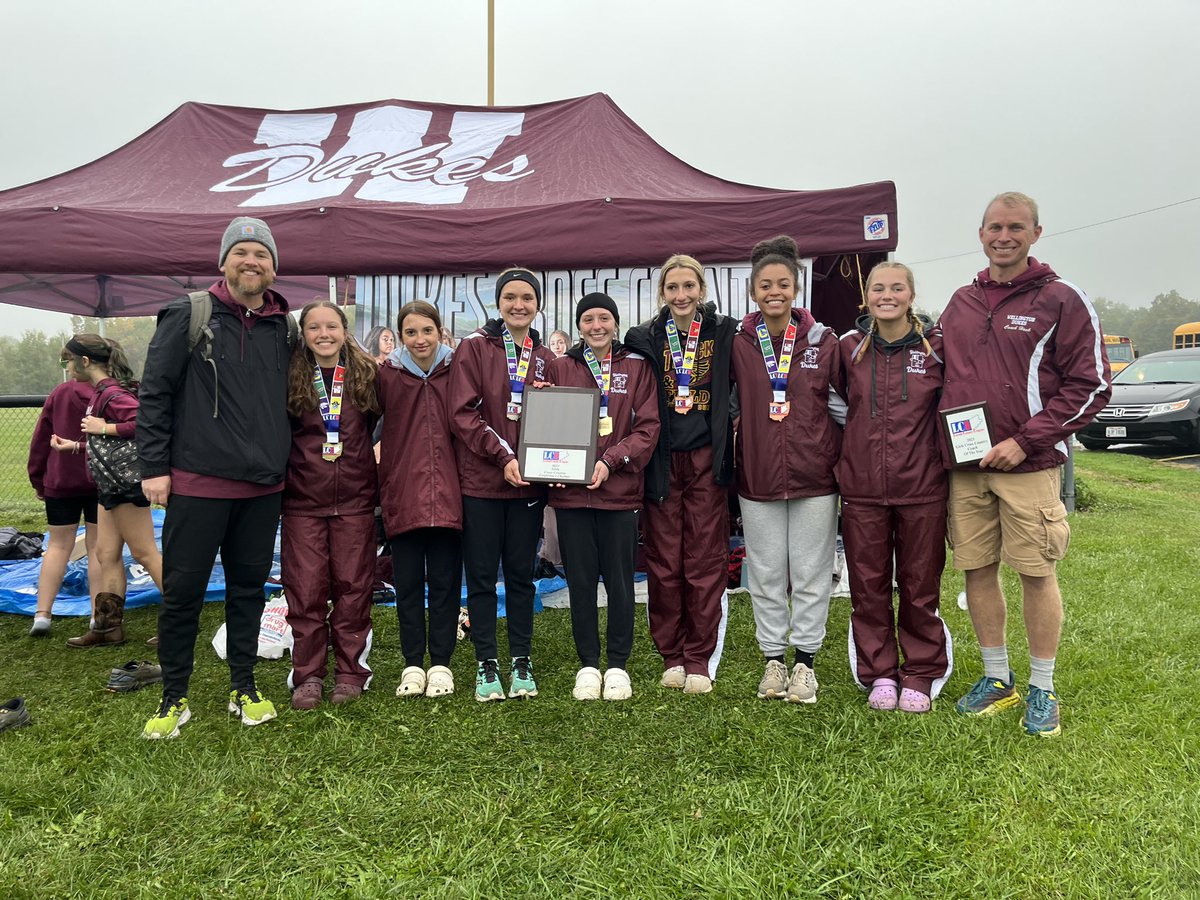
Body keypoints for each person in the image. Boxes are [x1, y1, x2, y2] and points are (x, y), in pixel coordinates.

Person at [939, 192, 1111, 737]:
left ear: (1036, 233)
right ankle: (997, 678)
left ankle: (1042, 685)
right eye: (994, 227)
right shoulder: (962, 300)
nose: (1003, 236)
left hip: (1029, 466)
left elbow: (1091, 386)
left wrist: (1025, 440)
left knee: (1036, 572)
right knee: (976, 569)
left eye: (1015, 227)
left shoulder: (1061, 298)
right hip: (967, 466)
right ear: (981, 233)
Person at [136, 216, 294, 739]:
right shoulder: (189, 313)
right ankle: (173, 696)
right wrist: (153, 468)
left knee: (248, 590)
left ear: (274, 267)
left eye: (262, 254)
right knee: (183, 592)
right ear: (223, 262)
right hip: (199, 482)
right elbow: (154, 394)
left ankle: (243, 686)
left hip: (263, 487)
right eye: (241, 252)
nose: (252, 261)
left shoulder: (285, 327)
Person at [730, 236, 844, 704]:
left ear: (796, 289)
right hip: (757, 477)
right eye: (765, 285)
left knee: (812, 573)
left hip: (815, 476)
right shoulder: (739, 343)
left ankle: (806, 663)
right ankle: (773, 659)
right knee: (766, 573)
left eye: (782, 284)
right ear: (753, 291)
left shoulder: (824, 341)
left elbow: (844, 408)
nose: (773, 291)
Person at [837, 262, 951, 713]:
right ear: (866, 297)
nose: (887, 295)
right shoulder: (848, 347)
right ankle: (880, 672)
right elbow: (831, 403)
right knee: (868, 586)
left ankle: (920, 671)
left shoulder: (936, 347)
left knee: (920, 585)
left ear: (911, 295)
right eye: (878, 288)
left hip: (922, 486)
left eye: (897, 288)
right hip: (863, 488)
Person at [625, 255, 735, 695]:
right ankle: (671, 655)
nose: (681, 295)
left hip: (707, 458)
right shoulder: (645, 337)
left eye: (689, 286)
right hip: (662, 461)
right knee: (665, 561)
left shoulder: (723, 332)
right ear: (662, 293)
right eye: (672, 287)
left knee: (705, 561)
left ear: (701, 289)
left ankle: (699, 658)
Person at [547, 293, 660, 701]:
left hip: (620, 492)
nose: (596, 326)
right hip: (572, 496)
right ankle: (588, 664)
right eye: (588, 319)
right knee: (579, 582)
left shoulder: (637, 366)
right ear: (579, 326)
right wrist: (552, 467)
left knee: (620, 583)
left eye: (604, 318)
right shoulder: (561, 366)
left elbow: (648, 427)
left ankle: (617, 664)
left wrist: (611, 461)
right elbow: (548, 422)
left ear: (615, 323)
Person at [449, 268, 555, 701]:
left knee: (521, 576)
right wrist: (503, 456)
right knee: (480, 576)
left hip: (528, 486)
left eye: (527, 297)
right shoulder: (474, 347)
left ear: (538, 304)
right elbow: (463, 413)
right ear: (498, 302)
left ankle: (521, 659)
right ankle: (486, 662)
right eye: (510, 297)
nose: (518, 305)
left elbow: (556, 417)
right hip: (482, 483)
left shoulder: (544, 356)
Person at [282, 301, 380, 710]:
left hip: (355, 500)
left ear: (344, 330)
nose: (323, 334)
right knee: (305, 590)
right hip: (302, 501)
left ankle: (351, 672)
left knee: (353, 589)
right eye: (314, 327)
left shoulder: (367, 374)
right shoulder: (289, 376)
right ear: (303, 334)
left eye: (331, 326)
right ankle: (308, 676)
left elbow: (381, 424)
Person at [51, 334, 164, 648]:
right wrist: (76, 446)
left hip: (125, 486)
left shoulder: (113, 393)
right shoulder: (100, 392)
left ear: (85, 361)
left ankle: (180, 624)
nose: (67, 367)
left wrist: (103, 427)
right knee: (105, 554)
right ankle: (107, 628)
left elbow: (143, 423)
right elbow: (111, 445)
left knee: (144, 553)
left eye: (67, 360)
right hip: (109, 486)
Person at [378, 300, 462, 699]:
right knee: (408, 585)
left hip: (450, 493)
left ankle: (441, 663)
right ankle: (413, 663)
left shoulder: (458, 369)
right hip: (404, 493)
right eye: (411, 332)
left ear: (440, 332)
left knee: (445, 583)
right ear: (401, 336)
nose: (420, 339)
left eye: (427, 331)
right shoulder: (386, 375)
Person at [27, 376, 99, 637]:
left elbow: (41, 439)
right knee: (98, 547)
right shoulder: (112, 392)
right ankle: (98, 615)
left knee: (57, 546)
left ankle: (42, 614)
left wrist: (38, 479)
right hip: (100, 480)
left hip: (61, 481)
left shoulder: (60, 393)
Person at [536, 328, 572, 579]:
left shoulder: (573, 366)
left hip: (569, 449)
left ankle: (561, 555)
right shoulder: (548, 366)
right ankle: (549, 555)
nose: (557, 346)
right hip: (550, 450)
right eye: (553, 342)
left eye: (561, 342)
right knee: (549, 509)